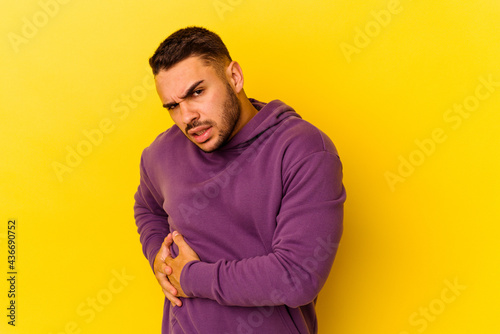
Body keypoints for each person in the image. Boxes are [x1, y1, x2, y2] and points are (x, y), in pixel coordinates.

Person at [134, 26, 346, 334]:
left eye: (197, 92)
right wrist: (159, 257)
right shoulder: (161, 153)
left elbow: (298, 277)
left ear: (234, 77)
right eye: (172, 106)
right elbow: (147, 207)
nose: (187, 116)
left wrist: (191, 277)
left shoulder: (303, 150)